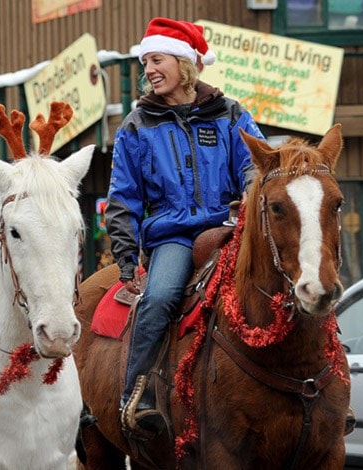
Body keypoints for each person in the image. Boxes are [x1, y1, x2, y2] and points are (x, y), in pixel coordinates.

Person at [105, 18, 262, 434]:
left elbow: (255, 163)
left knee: (284, 283)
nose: (149, 70)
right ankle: (138, 397)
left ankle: (327, 387)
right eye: (145, 62)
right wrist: (125, 261)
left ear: (184, 63)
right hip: (172, 236)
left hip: (229, 228)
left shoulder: (231, 114)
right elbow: (122, 201)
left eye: (156, 59)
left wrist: (250, 189)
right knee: (158, 300)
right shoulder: (136, 126)